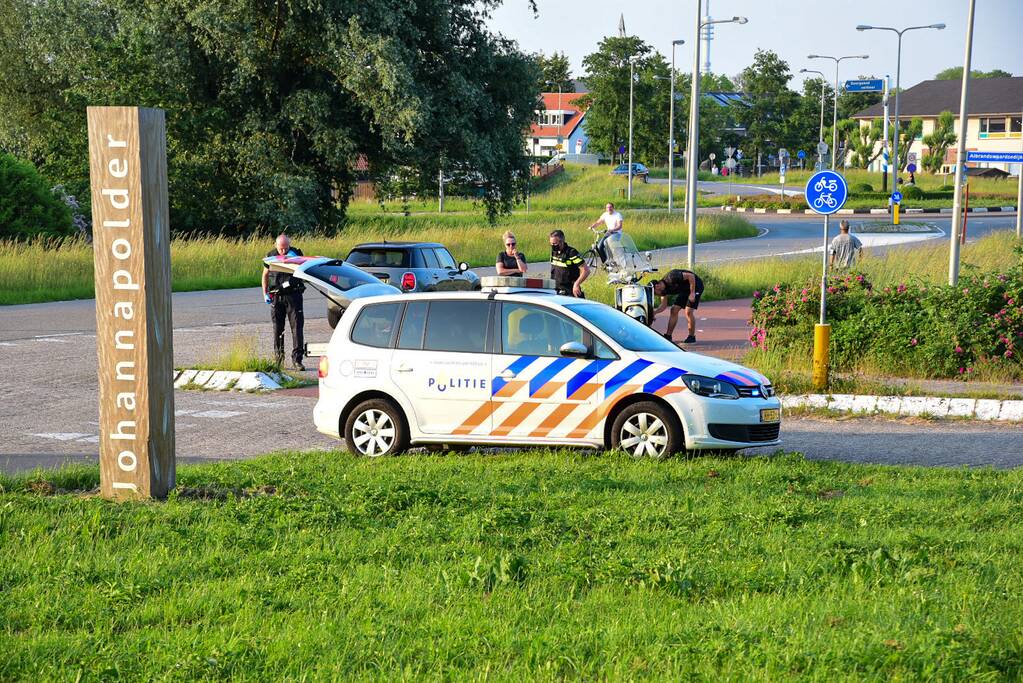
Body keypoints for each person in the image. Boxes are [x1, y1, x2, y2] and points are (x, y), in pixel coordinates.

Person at [262, 233, 306, 370]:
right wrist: (265, 293)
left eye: (286, 248)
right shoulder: (271, 256)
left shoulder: (297, 254)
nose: (283, 251)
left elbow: (302, 272)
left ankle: (297, 360)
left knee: (297, 328)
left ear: (289, 245)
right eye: (281, 248)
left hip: (293, 296)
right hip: (276, 296)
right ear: (276, 246)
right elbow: (265, 275)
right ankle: (279, 360)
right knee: (277, 329)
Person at [651, 268, 704, 344]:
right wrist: (654, 312)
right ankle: (668, 336)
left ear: (657, 286)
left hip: (696, 286)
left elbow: (691, 276)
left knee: (688, 311)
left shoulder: (671, 277)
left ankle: (691, 337)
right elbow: (663, 305)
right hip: (685, 290)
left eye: (655, 293)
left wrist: (692, 293)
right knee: (673, 310)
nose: (656, 295)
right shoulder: (663, 291)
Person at [549, 229, 590, 297]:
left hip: (569, 293)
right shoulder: (554, 252)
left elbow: (586, 270)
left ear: (562, 241)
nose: (553, 246)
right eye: (551, 243)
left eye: (555, 243)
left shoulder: (571, 253)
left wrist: (576, 284)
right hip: (556, 292)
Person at [588, 202, 624, 266]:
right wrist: (592, 226)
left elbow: (619, 226)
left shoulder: (618, 215)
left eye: (610, 207)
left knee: (606, 243)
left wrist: (612, 229)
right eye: (607, 207)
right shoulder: (605, 214)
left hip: (616, 233)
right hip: (609, 233)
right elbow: (598, 222)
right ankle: (606, 264)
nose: (609, 208)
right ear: (606, 208)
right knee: (599, 247)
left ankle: (612, 260)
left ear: (613, 208)